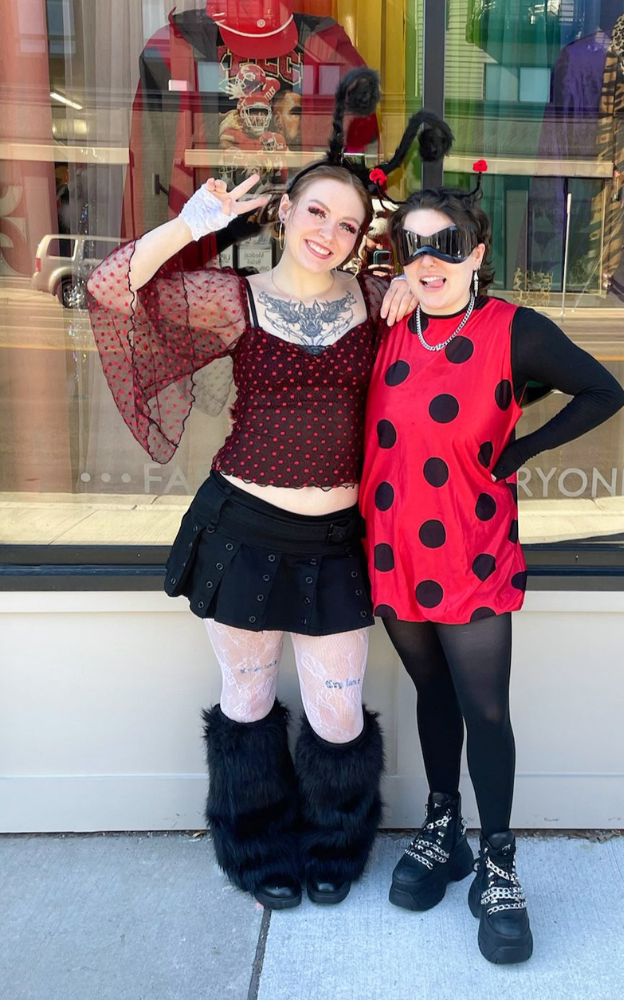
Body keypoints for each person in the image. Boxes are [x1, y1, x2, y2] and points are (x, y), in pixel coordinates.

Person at [86, 69, 451, 911]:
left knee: (336, 711)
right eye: (316, 211)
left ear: (364, 239)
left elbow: (469, 326)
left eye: (349, 223)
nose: (329, 231)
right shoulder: (231, 299)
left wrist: (418, 284)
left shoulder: (377, 303)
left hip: (336, 543)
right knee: (248, 699)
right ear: (284, 211)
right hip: (243, 527)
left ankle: (334, 842)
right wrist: (186, 227)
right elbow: (110, 292)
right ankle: (254, 851)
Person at [360, 173, 624, 963]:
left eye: (447, 245)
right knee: (431, 691)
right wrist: (388, 286)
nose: (430, 260)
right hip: (392, 538)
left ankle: (501, 862)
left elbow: (601, 391)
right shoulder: (387, 319)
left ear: (476, 252)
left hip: (471, 544)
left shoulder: (516, 330)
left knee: (486, 709)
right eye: (415, 245)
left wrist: (523, 449)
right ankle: (445, 831)